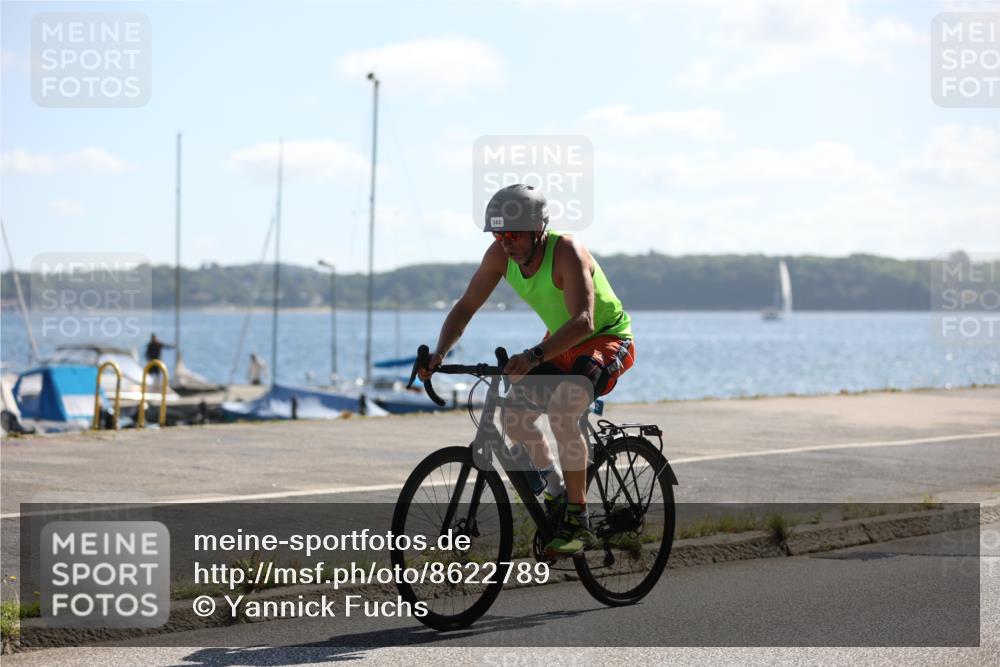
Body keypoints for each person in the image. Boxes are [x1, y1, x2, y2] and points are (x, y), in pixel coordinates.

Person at [419, 184, 635, 558]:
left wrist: (534, 356)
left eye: (514, 235)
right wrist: (439, 352)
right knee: (515, 418)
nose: (506, 243)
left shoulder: (566, 251)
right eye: (498, 235)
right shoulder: (500, 257)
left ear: (538, 229)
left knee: (563, 411)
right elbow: (466, 306)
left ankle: (579, 521)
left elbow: (584, 321)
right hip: (560, 342)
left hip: (605, 338)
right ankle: (556, 492)